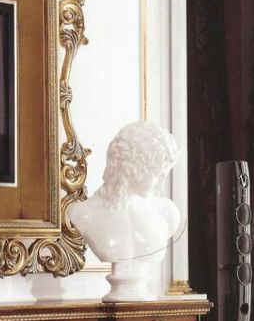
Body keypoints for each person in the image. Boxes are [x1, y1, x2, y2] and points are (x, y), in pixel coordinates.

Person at [69, 120, 181, 300]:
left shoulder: (166, 213)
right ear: (133, 169)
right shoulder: (84, 214)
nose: (161, 185)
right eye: (157, 175)